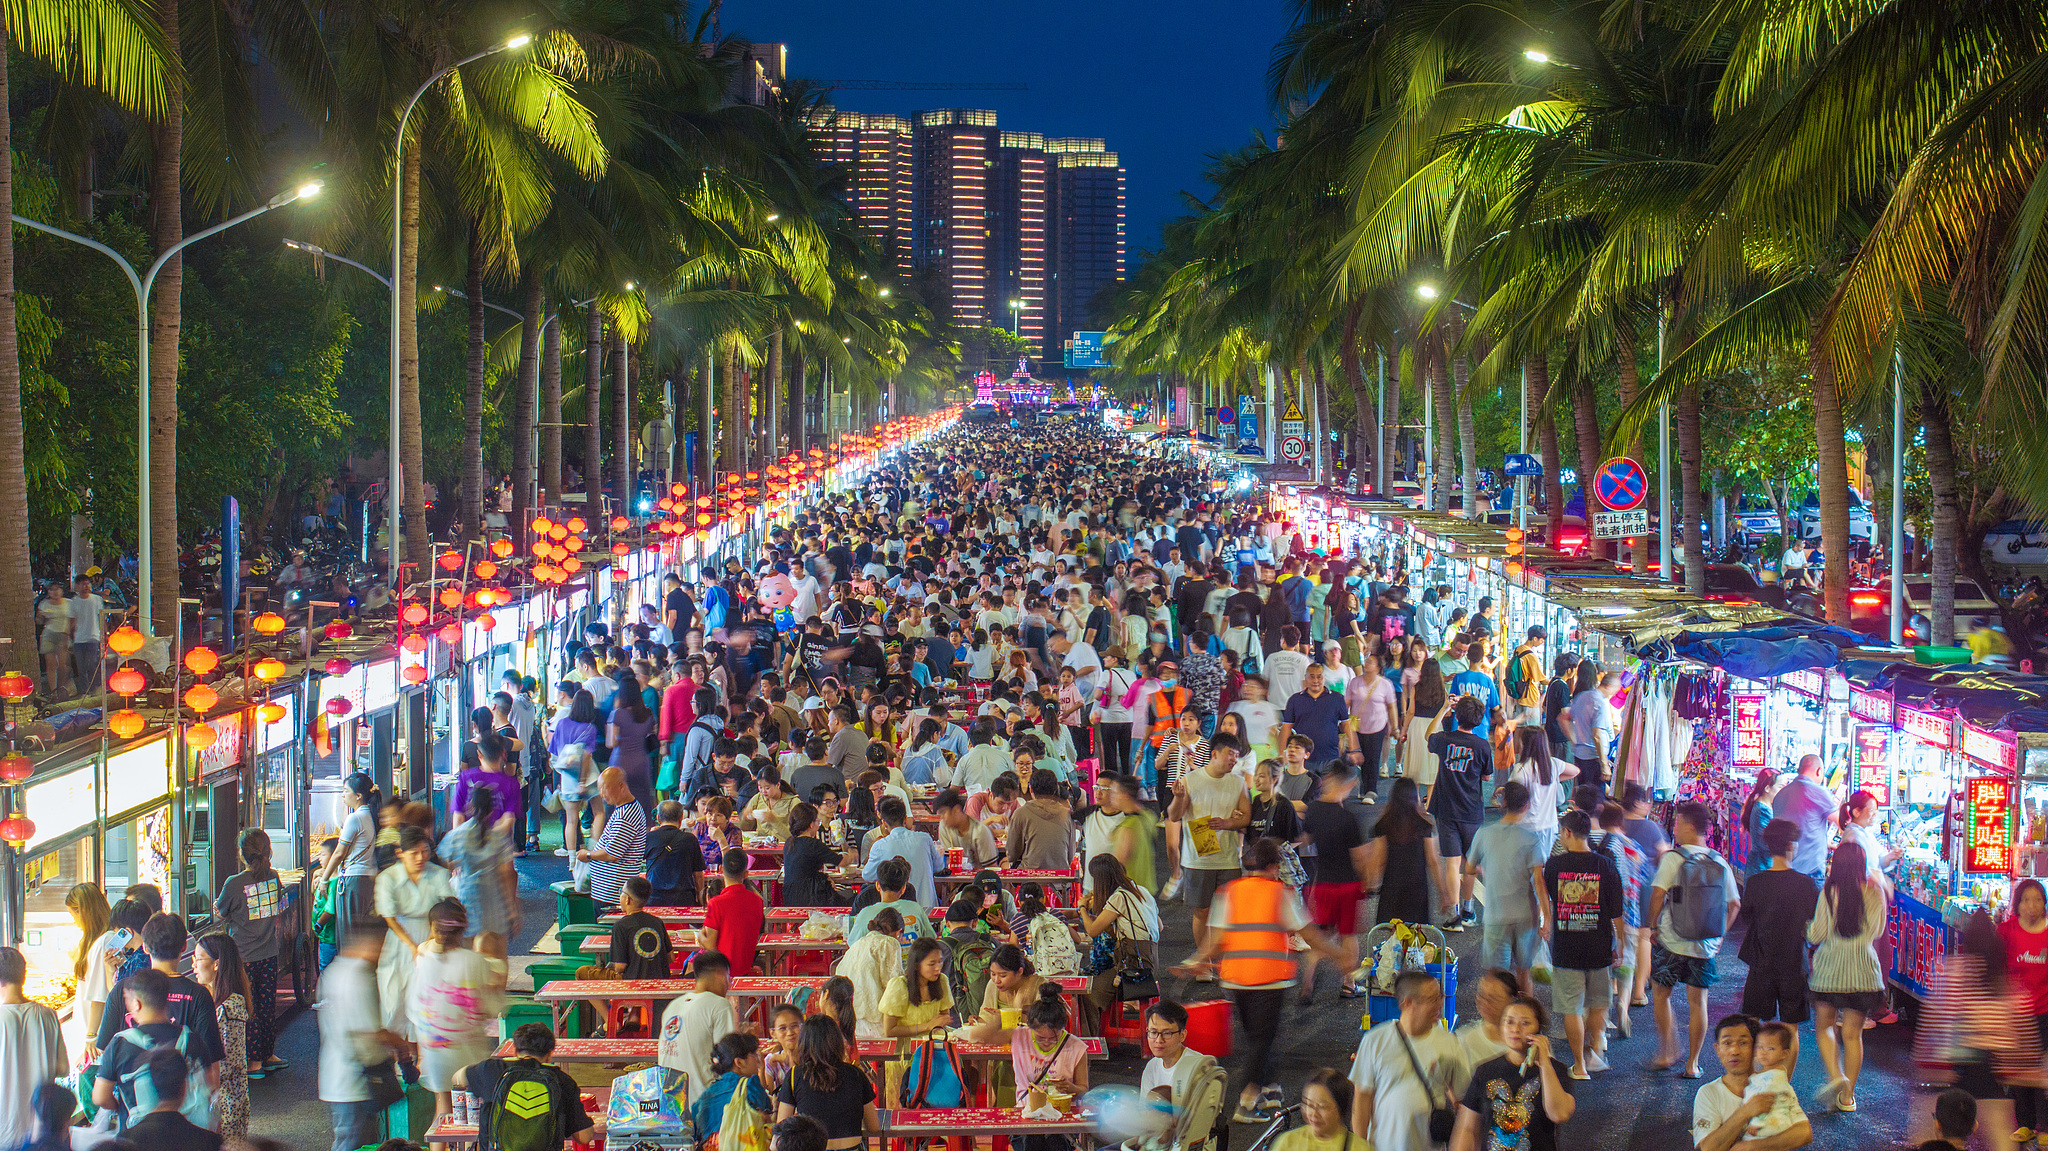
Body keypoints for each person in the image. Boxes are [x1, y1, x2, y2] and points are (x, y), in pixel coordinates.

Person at [1179, 838, 1350, 1123]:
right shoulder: (1280, 893)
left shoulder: (1229, 891)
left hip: (1235, 979)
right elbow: (1309, 935)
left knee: (1258, 1038)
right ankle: (1247, 1101)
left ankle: (1270, 1089)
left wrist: (1194, 960)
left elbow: (1217, 939)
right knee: (1262, 1040)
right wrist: (1340, 954)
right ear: (1273, 867)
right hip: (1269, 979)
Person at [1647, 801, 1741, 1078]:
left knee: (1662, 996)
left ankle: (1667, 1050)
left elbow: (1656, 896)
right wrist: (1720, 933)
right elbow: (1734, 904)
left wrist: (1653, 926)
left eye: (1676, 824)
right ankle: (1693, 1064)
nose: (1674, 829)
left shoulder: (1673, 859)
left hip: (1671, 941)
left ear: (1688, 826)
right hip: (1704, 945)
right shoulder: (1719, 861)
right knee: (1698, 1003)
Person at [95, 913, 225, 1092]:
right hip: (182, 1102)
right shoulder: (198, 995)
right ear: (184, 947)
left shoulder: (121, 990)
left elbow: (104, 1050)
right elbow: (211, 1069)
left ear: (146, 948)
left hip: (132, 1106)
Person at [1539, 810, 1624, 1079]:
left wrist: (1549, 921)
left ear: (1567, 833)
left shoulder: (1553, 866)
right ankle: (1593, 1049)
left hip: (1566, 948)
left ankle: (1579, 1065)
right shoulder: (1606, 865)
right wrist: (1619, 943)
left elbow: (1550, 897)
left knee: (1572, 1008)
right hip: (1599, 946)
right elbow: (1617, 912)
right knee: (1599, 1002)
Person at [1350, 970, 1469, 1151]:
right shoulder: (1375, 1041)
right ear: (1407, 1003)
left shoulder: (1448, 1043)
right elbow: (1362, 1101)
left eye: (1440, 997)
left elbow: (1463, 1102)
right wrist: (1360, 1146)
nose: (1440, 1004)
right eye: (1432, 999)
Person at [408, 899, 504, 1122]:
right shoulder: (473, 961)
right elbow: (490, 1006)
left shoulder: (422, 958)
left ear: (432, 927)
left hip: (433, 1053)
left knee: (443, 1109)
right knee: (475, 1114)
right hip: (467, 1054)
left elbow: (413, 1007)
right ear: (463, 929)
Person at [1806, 839, 1884, 1113]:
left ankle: (1836, 1075)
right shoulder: (1876, 893)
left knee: (1825, 1026)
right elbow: (1877, 932)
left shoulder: (1828, 892)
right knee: (1853, 1035)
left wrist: (1806, 928)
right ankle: (1848, 1096)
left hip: (1829, 970)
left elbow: (1816, 934)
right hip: (1863, 971)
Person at [1449, 994, 1573, 1151]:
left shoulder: (1555, 1071)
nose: (1515, 1029)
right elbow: (1467, 1128)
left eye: (1525, 1023)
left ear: (1539, 1029)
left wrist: (1545, 1064)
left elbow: (1559, 1114)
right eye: (1509, 1022)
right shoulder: (1486, 1070)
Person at [1167, 734, 1251, 960]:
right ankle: (1205, 961)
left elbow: (1246, 818)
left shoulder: (1238, 783)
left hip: (1228, 858)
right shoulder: (1190, 780)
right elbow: (1174, 816)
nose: (1234, 759)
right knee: (1202, 911)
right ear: (1214, 754)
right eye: (1230, 754)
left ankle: (1225, 959)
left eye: (1236, 755)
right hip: (1197, 859)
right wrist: (1177, 797)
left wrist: (1227, 823)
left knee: (1227, 914)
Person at [319, 926, 401, 1151]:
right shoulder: (359, 977)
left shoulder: (334, 971)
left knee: (347, 1139)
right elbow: (371, 1030)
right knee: (354, 1143)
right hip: (355, 1082)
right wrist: (402, 1046)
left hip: (336, 1077)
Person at [451, 1023, 598, 1150]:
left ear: (515, 1052)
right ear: (549, 1055)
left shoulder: (491, 1070)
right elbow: (584, 1137)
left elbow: (457, 1078)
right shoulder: (563, 1081)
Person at [211, 829, 285, 1080]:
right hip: (269, 952)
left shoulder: (234, 883)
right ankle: (268, 1055)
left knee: (248, 1007)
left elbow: (221, 911)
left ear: (243, 855)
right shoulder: (273, 877)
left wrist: (221, 910)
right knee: (266, 1006)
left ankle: (253, 1062)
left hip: (243, 956)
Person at [370, 825, 453, 1041]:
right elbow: (390, 917)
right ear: (401, 853)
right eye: (414, 853)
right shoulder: (388, 878)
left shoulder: (439, 874)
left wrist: (429, 941)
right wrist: (412, 945)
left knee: (428, 997)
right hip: (399, 941)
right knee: (394, 996)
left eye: (425, 851)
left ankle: (424, 1055)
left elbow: (447, 907)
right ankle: (400, 1058)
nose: (421, 857)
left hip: (433, 936)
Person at [1464, 780, 1546, 990]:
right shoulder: (1532, 839)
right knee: (1524, 973)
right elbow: (1538, 881)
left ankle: (1499, 1020)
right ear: (1527, 805)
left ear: (1503, 803)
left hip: (1496, 914)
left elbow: (1470, 868)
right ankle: (1528, 1017)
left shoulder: (1484, 833)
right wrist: (1548, 917)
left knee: (1496, 976)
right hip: (1526, 916)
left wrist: (1487, 868)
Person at [1737, 819, 1818, 1026]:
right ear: (1791, 845)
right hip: (1793, 964)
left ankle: (1757, 1059)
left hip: (1761, 963)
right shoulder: (1806, 884)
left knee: (1753, 1022)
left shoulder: (1755, 882)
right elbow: (1814, 920)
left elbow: (1748, 917)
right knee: (1790, 1028)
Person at [1300, 759, 1370, 998]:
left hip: (1323, 883)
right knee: (1348, 935)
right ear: (1349, 784)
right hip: (1348, 884)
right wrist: (1367, 882)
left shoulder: (1314, 810)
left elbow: (1306, 840)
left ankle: (1307, 982)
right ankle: (1349, 983)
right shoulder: (1349, 818)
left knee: (1322, 937)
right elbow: (1359, 858)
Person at [1691, 1015, 1812, 1151]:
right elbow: (1707, 1148)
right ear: (1717, 1049)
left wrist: (1754, 1146)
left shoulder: (1773, 1084)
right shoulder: (1709, 1093)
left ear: (1756, 1048)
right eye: (1727, 1043)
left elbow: (1804, 1132)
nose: (1734, 1051)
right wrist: (1745, 1112)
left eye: (1743, 1043)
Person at [1428, 696, 1494, 931]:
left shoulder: (1445, 740)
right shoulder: (1482, 745)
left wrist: (1444, 707)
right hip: (1472, 810)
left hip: (1446, 808)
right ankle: (1468, 911)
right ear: (1479, 719)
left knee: (1452, 863)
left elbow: (1429, 734)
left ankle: (1453, 917)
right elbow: (1487, 776)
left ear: (1457, 716)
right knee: (1471, 863)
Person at [774, 1016, 879, 1151]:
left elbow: (782, 1129)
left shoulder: (796, 1075)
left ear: (804, 1043)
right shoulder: (856, 1074)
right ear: (837, 1042)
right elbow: (873, 1126)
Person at [437, 786, 518, 959]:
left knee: (467, 955)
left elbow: (440, 863)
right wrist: (512, 910)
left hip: (466, 900)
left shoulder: (457, 835)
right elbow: (507, 874)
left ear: (470, 807)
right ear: (492, 810)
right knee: (496, 958)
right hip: (494, 902)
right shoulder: (498, 838)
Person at [0, 945, 65, 1147]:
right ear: (24, 975)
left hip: (4, 1131)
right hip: (41, 1131)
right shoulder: (48, 1015)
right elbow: (62, 1069)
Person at [1010, 984, 1088, 1146]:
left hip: (1062, 1117)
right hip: (1026, 1115)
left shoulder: (1076, 1047)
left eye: (1053, 1038)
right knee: (1031, 1139)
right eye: (1039, 1038)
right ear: (1030, 1028)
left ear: (1063, 1028)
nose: (1046, 1043)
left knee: (1055, 1140)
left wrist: (1071, 1087)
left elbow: (1084, 1090)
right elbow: (984, 1033)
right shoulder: (1020, 1038)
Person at [658, 950, 739, 1104]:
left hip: (669, 1104)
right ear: (720, 974)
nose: (729, 984)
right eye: (729, 978)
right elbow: (728, 1057)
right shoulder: (719, 1005)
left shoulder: (673, 1006)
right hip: (703, 1103)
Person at [188, 933, 249, 1137]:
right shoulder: (217, 1002)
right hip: (221, 1102)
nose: (194, 965)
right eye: (193, 959)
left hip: (224, 1106)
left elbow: (226, 1065)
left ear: (216, 964)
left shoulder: (228, 1007)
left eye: (199, 958)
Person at [2003, 878, 2048, 1143]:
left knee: (2044, 1074)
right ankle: (2026, 1124)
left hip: (2045, 1014)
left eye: (2038, 900)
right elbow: (1995, 968)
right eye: (2026, 900)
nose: (2032, 906)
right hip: (2016, 1016)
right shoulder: (2006, 931)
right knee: (2021, 1071)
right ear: (2017, 904)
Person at [578, 768, 648, 910]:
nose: (602, 795)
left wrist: (588, 855)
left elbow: (612, 854)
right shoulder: (623, 809)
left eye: (604, 789)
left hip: (611, 894)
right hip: (608, 891)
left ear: (621, 786)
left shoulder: (626, 815)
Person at [1139, 999, 1220, 1111]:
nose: (1158, 1040)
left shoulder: (1199, 1068)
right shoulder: (1151, 1067)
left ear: (1182, 1035)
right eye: (1153, 1032)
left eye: (1167, 1033)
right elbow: (1144, 1111)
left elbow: (1208, 1118)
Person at [863, 795, 945, 907]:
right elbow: (939, 867)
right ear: (905, 819)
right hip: (926, 908)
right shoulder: (924, 839)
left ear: (884, 823)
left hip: (894, 911)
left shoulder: (880, 845)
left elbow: (867, 876)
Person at [691, 1032, 773, 1142]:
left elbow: (694, 1133)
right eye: (753, 1055)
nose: (757, 1060)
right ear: (739, 1062)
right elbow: (767, 1120)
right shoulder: (750, 1085)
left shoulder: (705, 1096)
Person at [1771, 753, 1838, 882]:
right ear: (1819, 771)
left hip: (1783, 868)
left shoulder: (1781, 794)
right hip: (1810, 871)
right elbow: (1841, 821)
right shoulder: (1818, 791)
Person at [703, 851, 768, 975]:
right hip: (745, 968)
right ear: (746, 874)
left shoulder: (716, 903)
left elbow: (710, 946)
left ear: (721, 869)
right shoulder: (757, 901)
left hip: (720, 972)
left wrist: (700, 937)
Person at [1345, 653, 1398, 800]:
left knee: (1373, 758)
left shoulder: (1385, 684)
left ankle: (1371, 790)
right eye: (1366, 661)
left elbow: (1392, 706)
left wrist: (1395, 726)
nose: (1366, 664)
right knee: (1360, 758)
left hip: (1377, 725)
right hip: (1358, 726)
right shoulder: (1355, 682)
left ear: (1378, 667)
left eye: (1370, 662)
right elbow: (1347, 703)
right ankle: (1363, 787)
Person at [1742, 1022, 1805, 1142]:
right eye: (1760, 1047)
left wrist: (1757, 1122)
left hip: (1768, 1125)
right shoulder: (1770, 1074)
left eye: (1771, 1048)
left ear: (1784, 1053)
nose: (1764, 1052)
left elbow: (1765, 1101)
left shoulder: (1773, 1079)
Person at [1006, 768, 1079, 870]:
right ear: (1055, 790)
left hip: (1030, 879)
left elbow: (1011, 855)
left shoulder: (1021, 813)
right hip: (1060, 880)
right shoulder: (1067, 814)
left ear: (1031, 789)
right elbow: (1070, 855)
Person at [1564, 667, 1617, 798]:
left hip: (1580, 754)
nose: (1616, 692)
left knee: (1584, 795)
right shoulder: (1601, 703)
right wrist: (1604, 764)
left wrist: (1574, 740)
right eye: (1616, 688)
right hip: (1594, 756)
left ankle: (1584, 817)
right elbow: (1597, 735)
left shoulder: (1583, 696)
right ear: (1609, 686)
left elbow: (1563, 718)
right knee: (1596, 798)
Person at [610, 876, 676, 980]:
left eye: (621, 892)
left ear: (627, 899)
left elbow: (620, 967)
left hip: (634, 986)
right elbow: (670, 957)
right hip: (661, 983)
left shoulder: (620, 926)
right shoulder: (657, 922)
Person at [848, 858, 925, 944]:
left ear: (877, 885)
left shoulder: (865, 913)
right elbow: (930, 940)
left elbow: (852, 945)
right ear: (903, 888)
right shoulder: (916, 909)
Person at [647, 800, 706, 907]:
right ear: (681, 817)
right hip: (683, 898)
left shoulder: (649, 838)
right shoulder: (690, 839)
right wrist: (701, 899)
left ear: (658, 818)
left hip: (654, 898)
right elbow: (698, 875)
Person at [783, 802, 844, 907]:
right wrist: (853, 853)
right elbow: (841, 861)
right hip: (810, 897)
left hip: (790, 895)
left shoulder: (789, 842)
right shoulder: (812, 844)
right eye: (817, 821)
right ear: (811, 824)